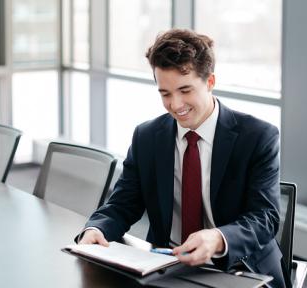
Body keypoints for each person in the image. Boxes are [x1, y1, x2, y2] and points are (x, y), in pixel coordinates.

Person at [77, 28, 285, 287]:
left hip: (238, 269)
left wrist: (219, 238)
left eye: (185, 90)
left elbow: (265, 217)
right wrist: (96, 229)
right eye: (165, 93)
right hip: (166, 267)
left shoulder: (257, 137)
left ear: (210, 82)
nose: (175, 105)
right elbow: (123, 203)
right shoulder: (147, 137)